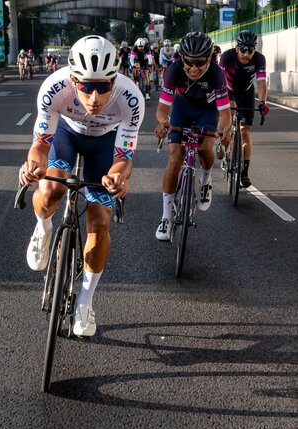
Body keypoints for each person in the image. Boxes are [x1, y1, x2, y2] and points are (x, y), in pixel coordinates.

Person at [19, 35, 145, 337]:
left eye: (103, 86)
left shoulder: (132, 98)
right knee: (51, 191)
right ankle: (43, 226)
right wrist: (33, 165)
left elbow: (123, 157)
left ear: (115, 80)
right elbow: (40, 144)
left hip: (105, 144)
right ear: (73, 80)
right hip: (67, 133)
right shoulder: (54, 87)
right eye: (86, 86)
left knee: (100, 221)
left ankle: (85, 302)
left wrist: (118, 176)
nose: (94, 97)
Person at [154, 32, 231, 241]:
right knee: (174, 159)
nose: (194, 68)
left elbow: (225, 114)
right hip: (182, 109)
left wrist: (223, 130)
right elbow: (162, 110)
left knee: (206, 147)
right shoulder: (174, 70)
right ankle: (166, 216)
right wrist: (162, 123)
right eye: (189, 62)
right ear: (182, 58)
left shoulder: (216, 74)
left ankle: (205, 179)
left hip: (207, 111)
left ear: (209, 59)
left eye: (200, 63)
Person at [219, 30, 269, 186]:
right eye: (243, 50)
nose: (246, 54)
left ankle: (245, 173)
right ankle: (223, 142)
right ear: (236, 47)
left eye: (250, 50)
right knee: (230, 116)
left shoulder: (259, 59)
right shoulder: (227, 56)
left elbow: (261, 83)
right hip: (228, 90)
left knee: (245, 131)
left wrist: (262, 102)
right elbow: (219, 80)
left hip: (247, 93)